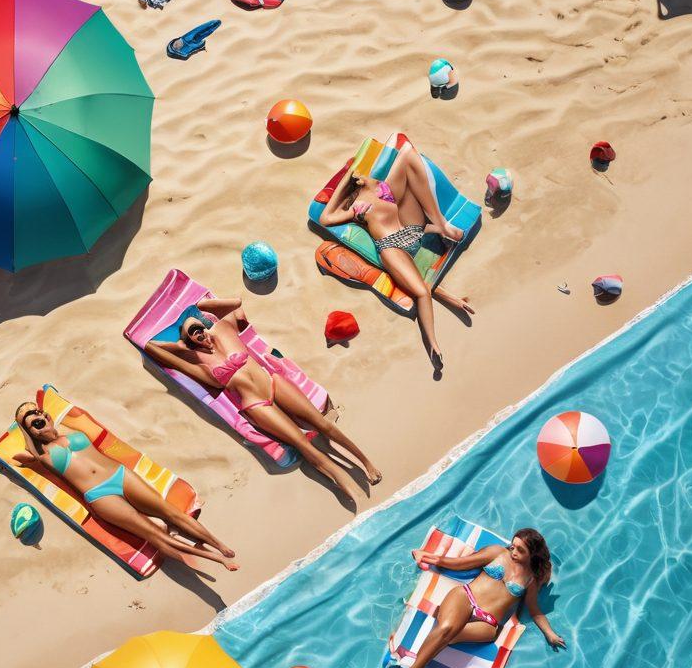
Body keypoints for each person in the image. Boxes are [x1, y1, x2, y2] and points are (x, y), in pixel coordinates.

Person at [141, 298, 382, 507]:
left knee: (321, 424)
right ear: (187, 341)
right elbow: (152, 347)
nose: (197, 332)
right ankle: (346, 486)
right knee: (302, 443)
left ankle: (365, 462)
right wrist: (181, 344)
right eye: (191, 333)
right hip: (256, 405)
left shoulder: (224, 329)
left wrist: (198, 307)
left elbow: (235, 302)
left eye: (198, 327)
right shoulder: (197, 364)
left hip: (273, 383)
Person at [13, 403, 238, 574]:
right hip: (100, 495)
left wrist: (37, 414)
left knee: (170, 513)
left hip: (121, 475)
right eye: (33, 421)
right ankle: (216, 559)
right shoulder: (43, 455)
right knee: (155, 535)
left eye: (40, 413)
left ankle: (219, 545)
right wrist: (23, 421)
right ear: (30, 431)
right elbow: (22, 450)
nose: (40, 417)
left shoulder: (69, 434)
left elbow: (48, 419)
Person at [319, 145, 474, 371]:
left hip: (413, 231)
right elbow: (325, 217)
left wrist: (355, 173)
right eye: (357, 174)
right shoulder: (356, 207)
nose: (362, 174)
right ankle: (433, 344)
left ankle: (441, 224)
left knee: (408, 155)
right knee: (421, 291)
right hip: (391, 247)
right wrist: (344, 179)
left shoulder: (379, 186)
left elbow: (408, 153)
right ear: (354, 182)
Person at [372, 528, 564, 668]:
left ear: (533, 553)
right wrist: (427, 556)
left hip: (487, 622)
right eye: (513, 546)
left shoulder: (530, 580)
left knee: (446, 635)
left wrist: (550, 634)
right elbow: (459, 563)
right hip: (466, 598)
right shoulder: (497, 553)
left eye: (520, 550)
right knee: (446, 632)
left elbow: (535, 610)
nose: (513, 552)